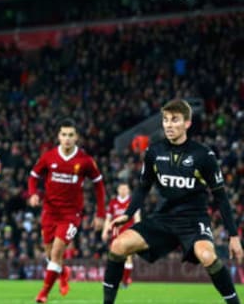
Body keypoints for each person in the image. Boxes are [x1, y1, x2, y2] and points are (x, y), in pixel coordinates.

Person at [102, 99, 243, 304]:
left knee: (207, 255)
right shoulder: (154, 152)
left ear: (187, 123)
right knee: (118, 246)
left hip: (193, 221)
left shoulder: (204, 155)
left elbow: (221, 197)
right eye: (166, 120)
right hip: (163, 218)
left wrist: (233, 235)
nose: (168, 124)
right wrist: (128, 214)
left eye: (175, 120)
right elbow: (143, 187)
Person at [27, 118, 106, 303]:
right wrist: (32, 194)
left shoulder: (85, 161)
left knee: (56, 253)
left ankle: (43, 293)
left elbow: (99, 186)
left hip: (71, 214)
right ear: (58, 136)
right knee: (49, 254)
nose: (67, 138)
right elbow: (33, 176)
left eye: (71, 135)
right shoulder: (49, 156)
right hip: (49, 211)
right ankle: (63, 272)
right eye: (64, 135)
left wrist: (100, 213)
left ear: (76, 137)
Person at [101, 183, 140, 288]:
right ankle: (117, 279)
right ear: (118, 190)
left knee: (128, 256)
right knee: (115, 257)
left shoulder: (132, 202)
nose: (123, 190)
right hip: (116, 234)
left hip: (129, 234)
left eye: (125, 188)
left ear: (128, 190)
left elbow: (137, 217)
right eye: (121, 188)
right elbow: (108, 219)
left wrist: (138, 231)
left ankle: (125, 280)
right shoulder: (113, 203)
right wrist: (105, 231)